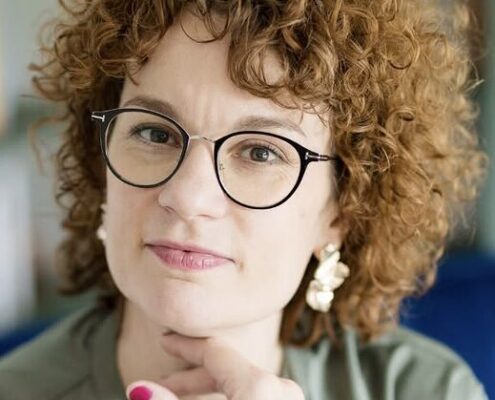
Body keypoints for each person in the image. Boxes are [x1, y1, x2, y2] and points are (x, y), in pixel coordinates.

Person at [0, 0, 489, 399]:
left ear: (343, 210)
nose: (187, 196)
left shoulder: (429, 390)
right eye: (154, 133)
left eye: (260, 152)